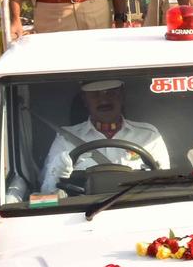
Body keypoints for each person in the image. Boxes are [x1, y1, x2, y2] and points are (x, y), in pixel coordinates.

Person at [40, 80, 170, 193]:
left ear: (122, 95)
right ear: (85, 99)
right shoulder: (65, 138)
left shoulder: (148, 135)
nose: (104, 100)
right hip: (83, 214)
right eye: (95, 94)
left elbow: (165, 187)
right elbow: (46, 193)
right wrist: (56, 175)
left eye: (111, 92)